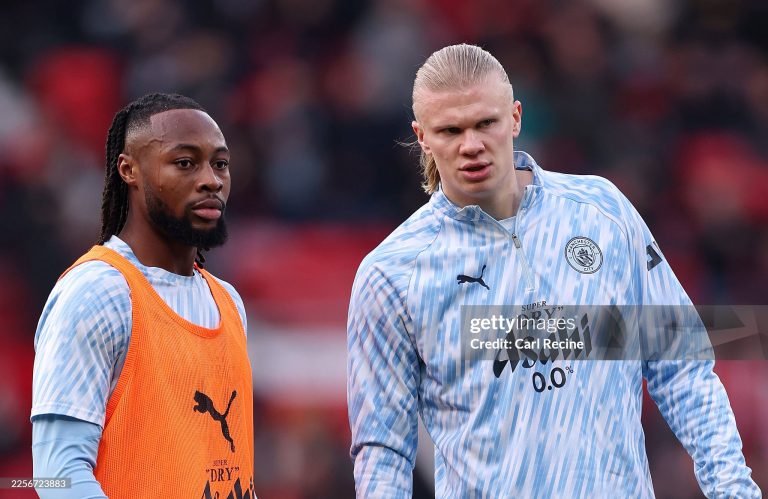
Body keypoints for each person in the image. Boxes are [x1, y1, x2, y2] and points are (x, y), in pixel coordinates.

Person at [346, 44, 761, 498]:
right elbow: (384, 449)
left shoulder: (603, 213)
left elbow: (682, 366)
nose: (471, 145)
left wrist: (734, 490)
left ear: (516, 117)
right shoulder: (391, 275)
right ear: (421, 136)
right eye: (450, 130)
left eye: (486, 123)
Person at [31, 93, 255, 498]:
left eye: (220, 163)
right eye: (185, 162)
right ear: (129, 169)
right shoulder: (97, 293)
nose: (211, 180)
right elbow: (57, 475)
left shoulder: (229, 302)